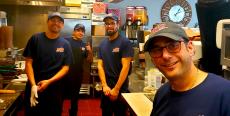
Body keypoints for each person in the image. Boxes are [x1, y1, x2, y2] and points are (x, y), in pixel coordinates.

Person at [144, 22, 230, 116]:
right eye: (156, 50)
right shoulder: (161, 94)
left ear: (190, 48)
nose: (165, 56)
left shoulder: (224, 94)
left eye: (173, 46)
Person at [23, 12, 73, 116]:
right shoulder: (35, 39)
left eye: (59, 21)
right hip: (35, 88)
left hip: (54, 89)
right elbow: (28, 63)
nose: (56, 23)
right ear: (47, 22)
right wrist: (32, 85)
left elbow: (65, 68)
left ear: (62, 25)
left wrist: (49, 82)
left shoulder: (65, 44)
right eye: (53, 20)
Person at [97, 15, 134, 116]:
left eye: (112, 23)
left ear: (118, 24)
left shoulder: (125, 42)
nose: (109, 26)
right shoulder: (102, 44)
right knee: (106, 113)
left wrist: (116, 89)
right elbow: (100, 66)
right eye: (107, 24)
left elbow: (125, 67)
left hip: (120, 88)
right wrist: (104, 86)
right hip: (106, 89)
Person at [63, 23, 93, 116]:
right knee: (60, 96)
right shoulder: (65, 41)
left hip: (77, 75)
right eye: (78, 30)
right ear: (74, 31)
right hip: (64, 74)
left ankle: (73, 113)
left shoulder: (84, 45)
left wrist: (90, 51)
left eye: (82, 31)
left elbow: (89, 60)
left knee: (75, 98)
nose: (80, 33)